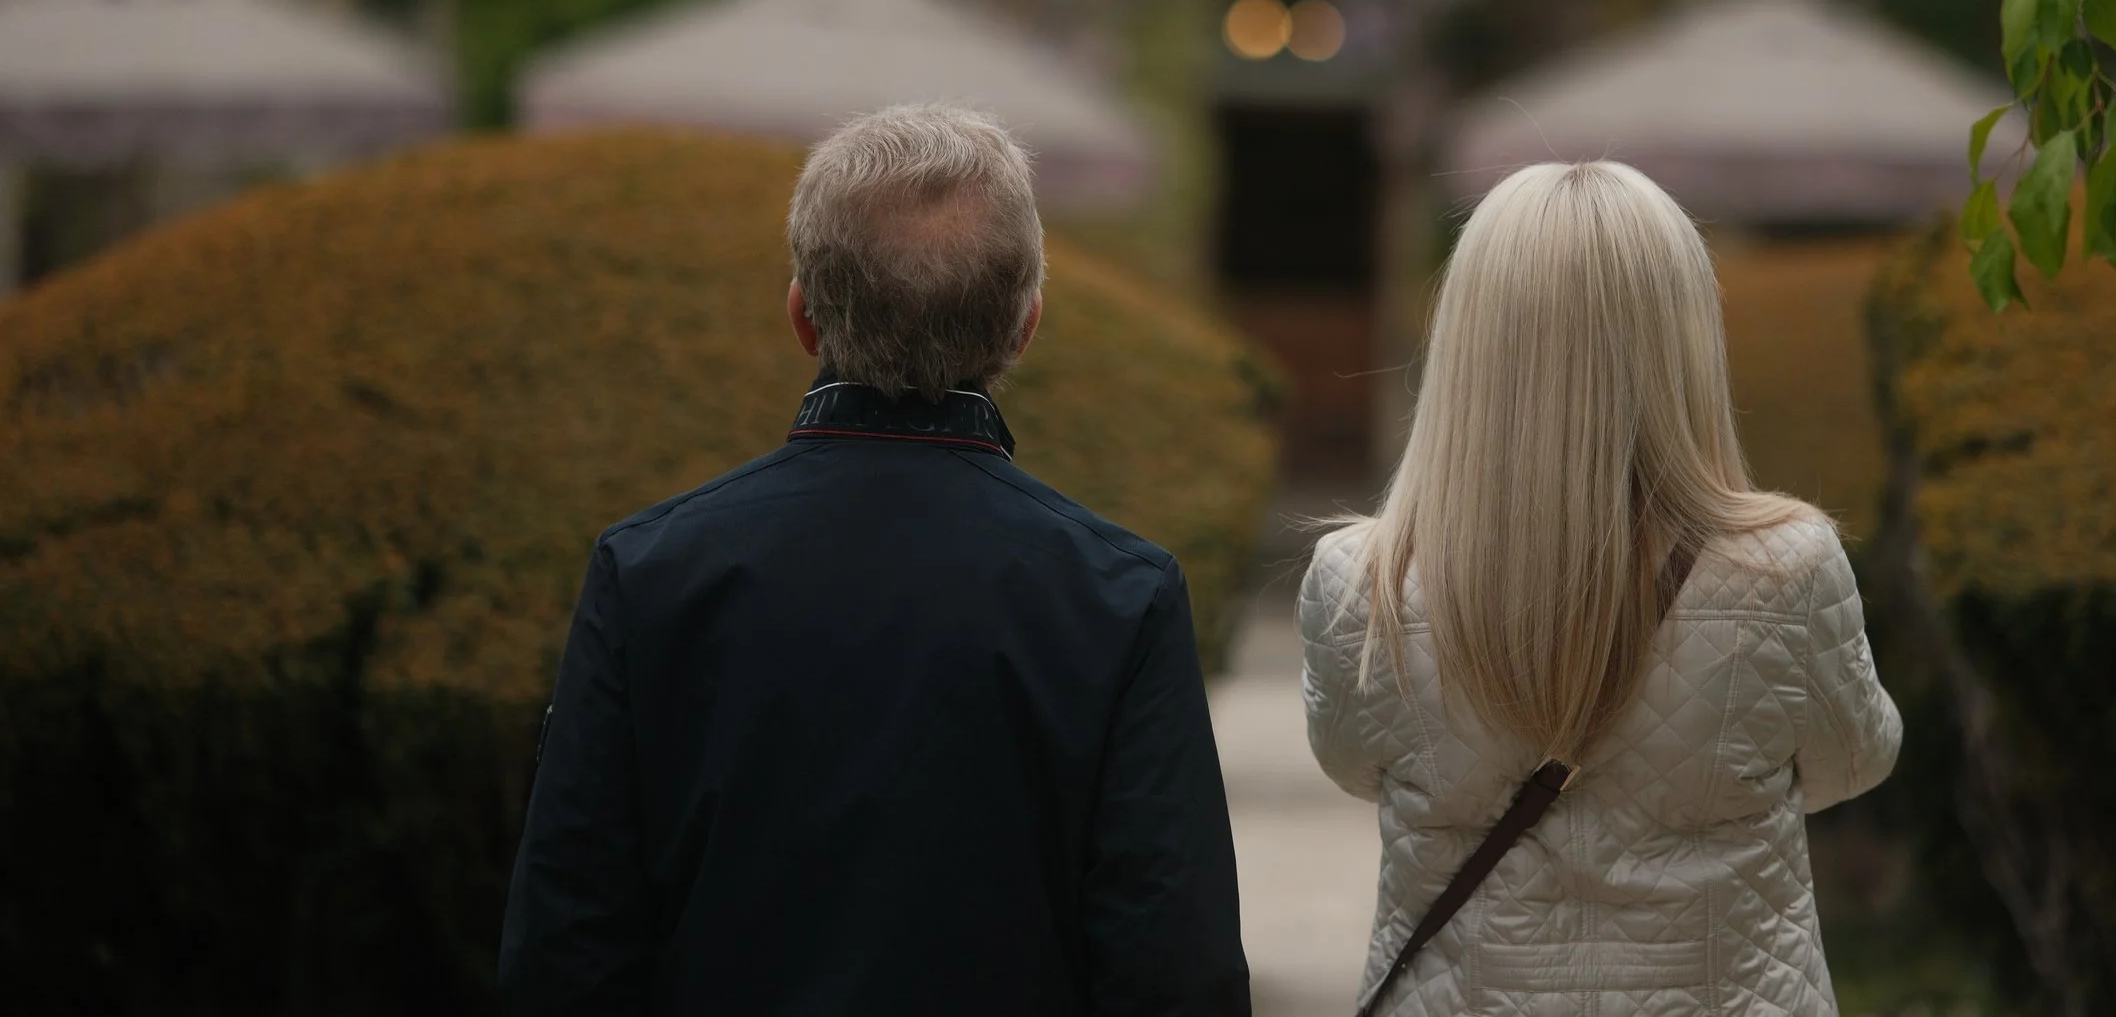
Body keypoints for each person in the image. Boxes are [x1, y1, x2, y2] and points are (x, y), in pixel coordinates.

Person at [502, 103, 1251, 1016]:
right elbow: (1176, 969)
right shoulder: (1120, 595)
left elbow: (565, 949)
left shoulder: (650, 572)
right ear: (1026, 324)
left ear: (801, 316)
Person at [1301, 160, 1901, 1017]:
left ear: (1467, 340)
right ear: (1683, 338)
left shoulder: (1365, 581)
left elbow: (1353, 765)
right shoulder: (1787, 568)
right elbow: (1854, 761)